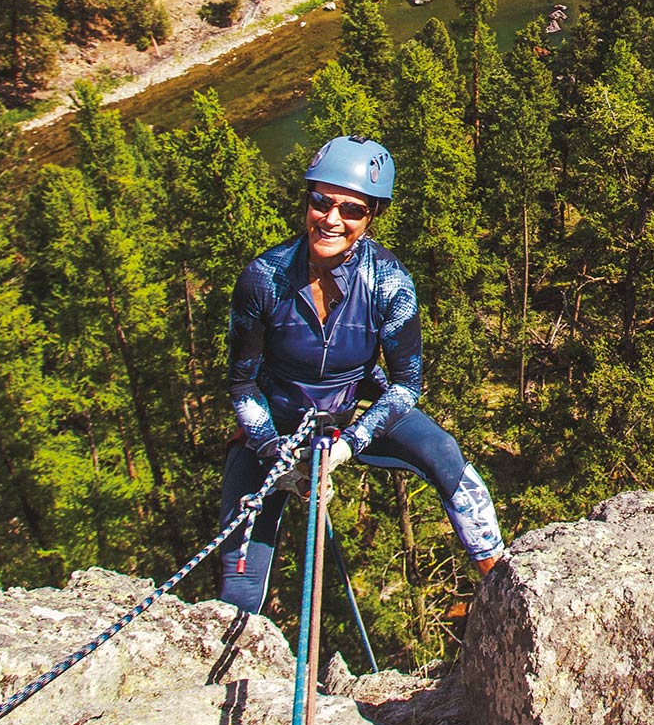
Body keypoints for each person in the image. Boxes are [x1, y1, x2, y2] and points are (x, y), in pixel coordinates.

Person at [216, 135, 505, 615]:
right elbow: (242, 383)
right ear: (307, 201)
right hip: (276, 425)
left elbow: (406, 384)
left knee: (444, 454)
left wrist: (350, 443)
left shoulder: (389, 283)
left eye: (350, 209)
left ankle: (500, 589)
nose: (331, 218)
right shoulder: (263, 279)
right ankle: (231, 655)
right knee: (238, 576)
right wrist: (272, 449)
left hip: (352, 413)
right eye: (321, 202)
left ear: (370, 218)